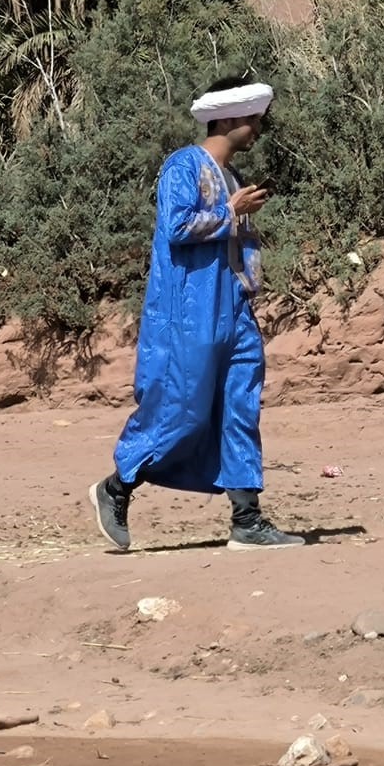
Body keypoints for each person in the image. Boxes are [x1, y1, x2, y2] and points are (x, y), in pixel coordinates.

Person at [91, 77, 305, 552]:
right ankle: (117, 486)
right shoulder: (183, 166)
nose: (255, 129)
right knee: (182, 409)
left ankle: (247, 519)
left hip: (233, 308)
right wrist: (233, 211)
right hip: (189, 311)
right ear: (227, 120)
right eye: (251, 120)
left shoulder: (229, 178)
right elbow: (176, 225)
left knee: (240, 407)